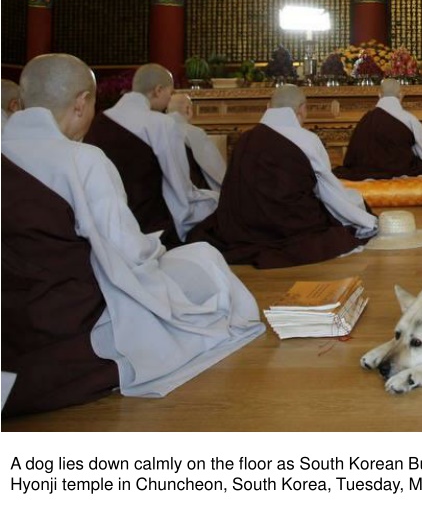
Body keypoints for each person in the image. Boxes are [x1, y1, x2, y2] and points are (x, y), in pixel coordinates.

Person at [2, 54, 263, 416]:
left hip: (10, 320)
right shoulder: (80, 159)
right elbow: (129, 252)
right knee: (203, 258)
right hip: (71, 320)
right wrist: (153, 245)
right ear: (81, 103)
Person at [190, 84, 377, 269]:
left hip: (245, 221)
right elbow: (328, 190)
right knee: (351, 202)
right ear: (302, 109)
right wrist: (362, 219)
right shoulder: (307, 139)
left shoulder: (245, 139)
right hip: (290, 221)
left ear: (268, 106)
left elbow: (233, 185)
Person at [83, 63, 217, 247]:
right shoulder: (161, 124)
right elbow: (179, 187)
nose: (168, 101)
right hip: (151, 225)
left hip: (104, 224)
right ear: (158, 90)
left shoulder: (98, 122)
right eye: (169, 94)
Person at [334, 78, 422, 193]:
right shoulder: (408, 118)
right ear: (401, 95)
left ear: (379, 95)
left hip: (365, 168)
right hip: (399, 168)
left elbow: (354, 150)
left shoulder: (366, 119)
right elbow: (421, 146)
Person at [166, 93, 226, 192]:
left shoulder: (156, 131)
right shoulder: (194, 133)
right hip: (193, 193)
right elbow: (217, 172)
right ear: (188, 109)